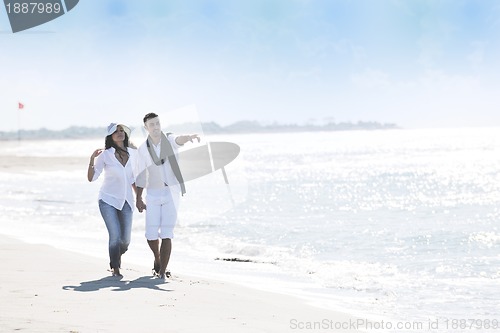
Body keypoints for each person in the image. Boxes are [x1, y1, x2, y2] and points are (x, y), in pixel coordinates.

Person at [135, 112, 199, 281]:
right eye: (152, 124)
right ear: (146, 128)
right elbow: (141, 175)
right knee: (150, 235)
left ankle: (162, 272)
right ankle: (157, 259)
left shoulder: (169, 140)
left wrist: (189, 137)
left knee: (167, 233)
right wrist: (138, 198)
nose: (155, 127)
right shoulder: (143, 149)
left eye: (157, 123)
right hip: (153, 194)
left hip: (171, 193)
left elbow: (179, 139)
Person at [87, 123, 137, 277]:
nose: (120, 133)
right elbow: (92, 178)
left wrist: (140, 198)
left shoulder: (133, 153)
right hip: (107, 200)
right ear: (110, 136)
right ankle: (115, 268)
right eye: (116, 131)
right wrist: (91, 159)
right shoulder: (105, 155)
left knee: (125, 241)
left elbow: (133, 179)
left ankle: (116, 256)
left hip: (127, 201)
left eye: (122, 130)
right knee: (114, 235)